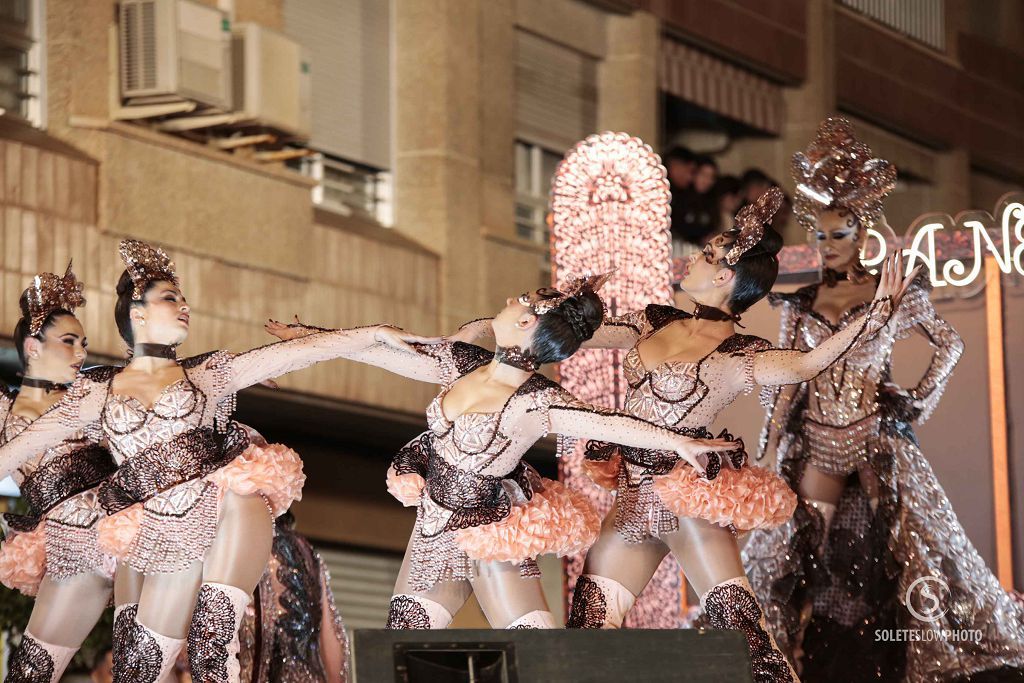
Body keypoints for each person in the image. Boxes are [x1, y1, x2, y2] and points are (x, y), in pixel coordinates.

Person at [454, 189, 917, 683]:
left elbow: (805, 364)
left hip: (686, 500)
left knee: (747, 641)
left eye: (707, 255)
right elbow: (575, 335)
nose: (693, 258)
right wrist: (500, 327)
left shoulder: (741, 351)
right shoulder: (652, 320)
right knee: (588, 631)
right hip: (631, 502)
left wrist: (872, 317)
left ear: (724, 278)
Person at [0, 239, 420, 682]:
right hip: (158, 530)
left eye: (183, 299)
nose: (184, 306)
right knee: (137, 669)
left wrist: (371, 334)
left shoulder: (208, 372)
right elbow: (26, 445)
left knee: (211, 649)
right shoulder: (97, 391)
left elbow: (300, 354)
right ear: (137, 313)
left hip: (224, 506)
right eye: (170, 298)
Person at [266, 274, 739, 631]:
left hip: (493, 537)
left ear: (531, 329)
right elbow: (383, 354)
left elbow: (609, 423)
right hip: (433, 535)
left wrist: (678, 441)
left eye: (524, 305)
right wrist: (309, 339)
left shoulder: (538, 400)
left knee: (535, 658)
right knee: (402, 647)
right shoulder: (461, 361)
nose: (512, 302)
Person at [742, 116, 1024, 681]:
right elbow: (787, 377)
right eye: (817, 234)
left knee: (909, 544)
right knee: (789, 546)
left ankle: (929, 655)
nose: (825, 245)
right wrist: (769, 438)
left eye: (838, 234)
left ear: (862, 232)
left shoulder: (892, 292)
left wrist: (918, 399)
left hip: (875, 438)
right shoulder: (799, 303)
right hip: (818, 440)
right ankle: (772, 655)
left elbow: (951, 342)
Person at [0, 265, 118, 682]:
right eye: (69, 342)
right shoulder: (3, 409)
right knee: (32, 671)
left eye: (83, 343)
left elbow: (157, 377)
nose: (82, 353)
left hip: (117, 530)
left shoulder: (92, 395)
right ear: (33, 346)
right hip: (72, 545)